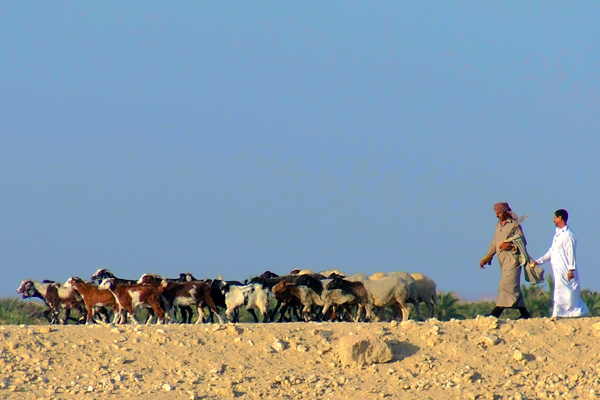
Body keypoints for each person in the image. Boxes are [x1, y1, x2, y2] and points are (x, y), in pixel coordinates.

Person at [531, 209, 589, 318]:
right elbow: (551, 251)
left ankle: (571, 313)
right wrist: (538, 261)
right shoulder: (557, 235)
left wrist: (571, 269)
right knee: (559, 291)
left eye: (555, 217)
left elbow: (571, 253)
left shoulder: (568, 235)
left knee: (570, 294)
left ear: (560, 218)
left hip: (566, 269)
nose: (553, 220)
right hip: (558, 269)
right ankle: (558, 313)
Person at [479, 202, 531, 319]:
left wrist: (510, 244)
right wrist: (487, 257)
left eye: (499, 213)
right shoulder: (498, 226)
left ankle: (496, 312)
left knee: (505, 285)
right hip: (502, 262)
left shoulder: (514, 225)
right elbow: (494, 243)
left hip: (513, 260)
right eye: (496, 213)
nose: (497, 215)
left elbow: (522, 241)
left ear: (505, 212)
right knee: (513, 287)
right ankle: (525, 313)